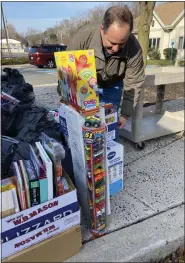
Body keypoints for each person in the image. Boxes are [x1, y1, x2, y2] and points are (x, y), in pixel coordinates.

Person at [57, 5, 145, 128]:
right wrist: (64, 97)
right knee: (83, 125)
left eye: (121, 44)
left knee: (109, 128)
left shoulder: (134, 48)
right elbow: (66, 70)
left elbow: (134, 82)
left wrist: (125, 114)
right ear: (102, 28)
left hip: (113, 85)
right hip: (85, 85)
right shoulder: (83, 37)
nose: (115, 49)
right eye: (112, 43)